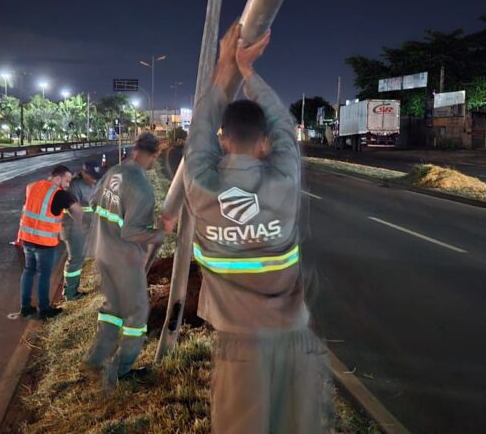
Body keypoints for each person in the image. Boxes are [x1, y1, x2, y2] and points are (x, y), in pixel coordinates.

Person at [181, 23, 328, 433]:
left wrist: (225, 69)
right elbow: (283, 123)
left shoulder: (202, 187)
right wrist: (248, 72)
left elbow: (199, 132)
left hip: (240, 347)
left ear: (224, 141)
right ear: (264, 143)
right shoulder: (283, 180)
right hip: (294, 340)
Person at [84, 132, 173, 386]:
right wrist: (162, 231)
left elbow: (93, 201)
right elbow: (132, 232)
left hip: (101, 250)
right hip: (124, 259)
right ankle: (121, 371)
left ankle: (96, 359)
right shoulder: (143, 189)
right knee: (137, 314)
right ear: (155, 155)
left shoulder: (115, 171)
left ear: (135, 149)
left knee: (113, 308)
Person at [17, 164, 83, 320]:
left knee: (28, 271)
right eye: (67, 181)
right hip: (44, 242)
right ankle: (44, 310)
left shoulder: (31, 186)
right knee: (44, 276)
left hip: (27, 238)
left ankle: (25, 308)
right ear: (58, 178)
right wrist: (79, 224)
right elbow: (78, 212)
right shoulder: (60, 194)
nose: (68, 185)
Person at [60, 160, 102, 301]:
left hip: (87, 225)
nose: (94, 179)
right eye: (91, 176)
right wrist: (87, 222)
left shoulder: (95, 182)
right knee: (76, 259)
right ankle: (70, 294)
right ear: (83, 173)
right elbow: (73, 209)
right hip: (74, 227)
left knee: (84, 257)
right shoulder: (74, 185)